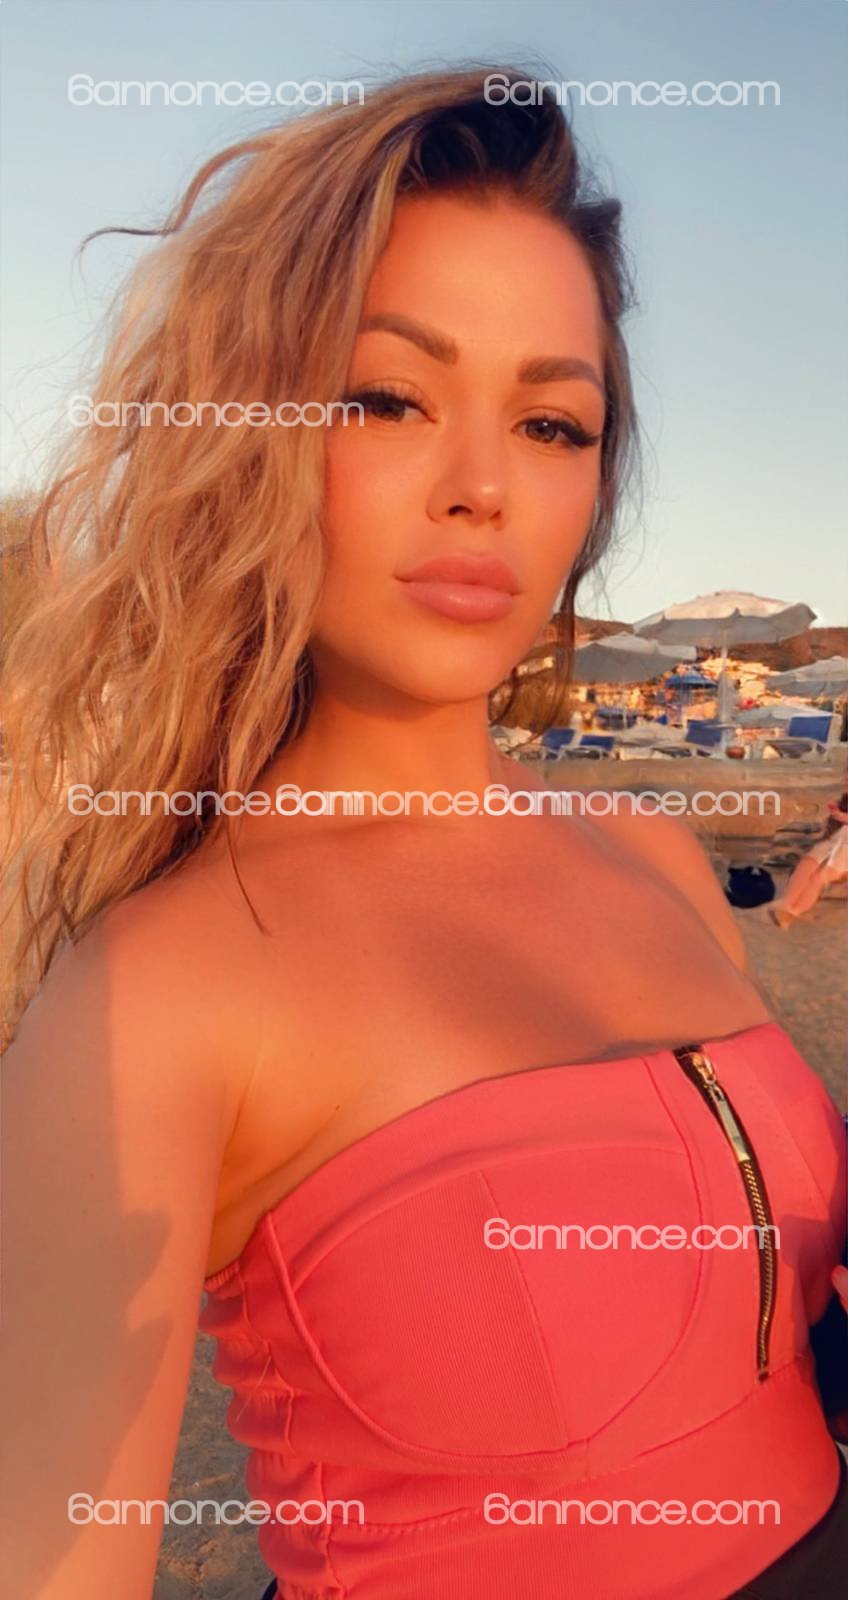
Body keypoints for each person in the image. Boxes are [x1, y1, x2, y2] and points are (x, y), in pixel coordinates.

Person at [1, 67, 845, 1600]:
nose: (483, 490)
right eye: (386, 398)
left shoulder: (650, 851)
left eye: (551, 421)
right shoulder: (154, 993)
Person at [770, 791, 848, 927]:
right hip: (839, 838)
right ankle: (786, 904)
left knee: (819, 877)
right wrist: (836, 813)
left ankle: (793, 912)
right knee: (807, 864)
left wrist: (843, 817)